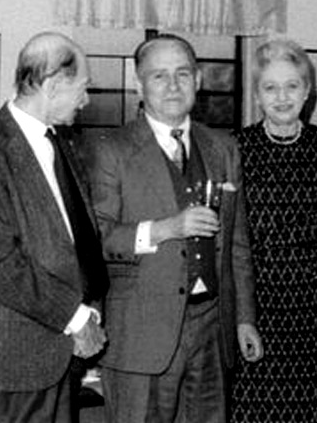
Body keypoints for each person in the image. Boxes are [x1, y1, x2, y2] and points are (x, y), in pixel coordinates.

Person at [88, 34, 263, 423]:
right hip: (141, 335)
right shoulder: (110, 149)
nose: (173, 86)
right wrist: (165, 228)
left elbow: (238, 243)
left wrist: (244, 318)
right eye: (159, 76)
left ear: (198, 80)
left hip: (212, 329)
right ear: (139, 85)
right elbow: (96, 237)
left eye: (183, 74)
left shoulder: (223, 147)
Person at [0, 32, 109, 423]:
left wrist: (88, 310)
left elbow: (75, 239)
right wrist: (75, 318)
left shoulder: (63, 143)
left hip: (62, 355)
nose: (86, 100)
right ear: (53, 86)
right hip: (15, 361)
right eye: (82, 88)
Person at [231, 39, 317, 423]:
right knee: (254, 410)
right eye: (270, 88)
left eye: (291, 86)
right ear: (257, 95)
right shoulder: (237, 149)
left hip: (316, 306)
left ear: (307, 92)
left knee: (315, 410)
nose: (282, 97)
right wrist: (239, 313)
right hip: (259, 305)